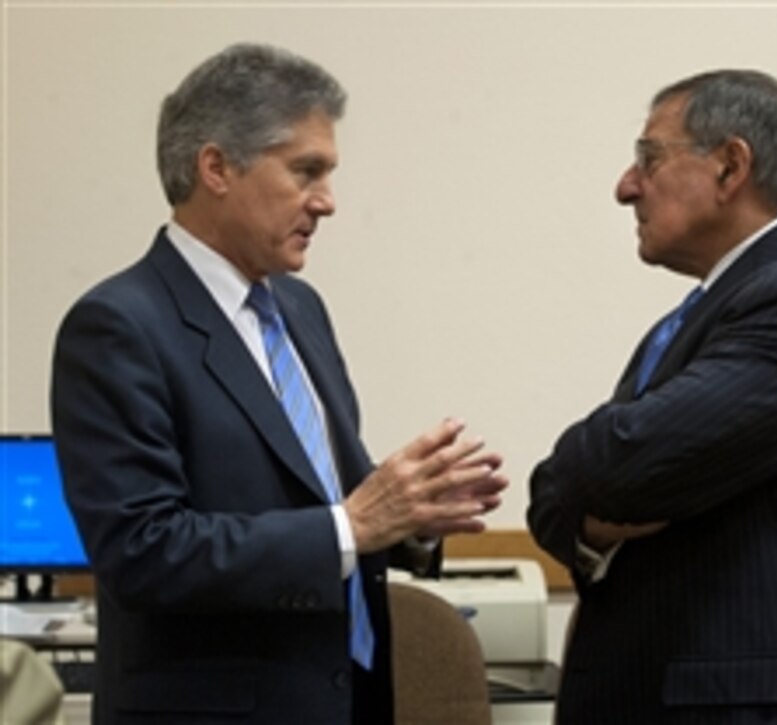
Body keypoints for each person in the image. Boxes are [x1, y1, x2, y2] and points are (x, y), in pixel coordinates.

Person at [50, 43, 506, 725]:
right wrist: (351, 525)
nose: (327, 202)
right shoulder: (118, 326)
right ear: (217, 168)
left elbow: (323, 492)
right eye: (306, 171)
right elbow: (143, 552)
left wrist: (411, 513)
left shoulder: (300, 309)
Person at [527, 70, 777, 723]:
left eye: (649, 157)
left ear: (731, 166)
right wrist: (592, 505)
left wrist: (593, 478)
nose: (626, 186)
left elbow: (619, 464)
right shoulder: (704, 313)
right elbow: (556, 498)